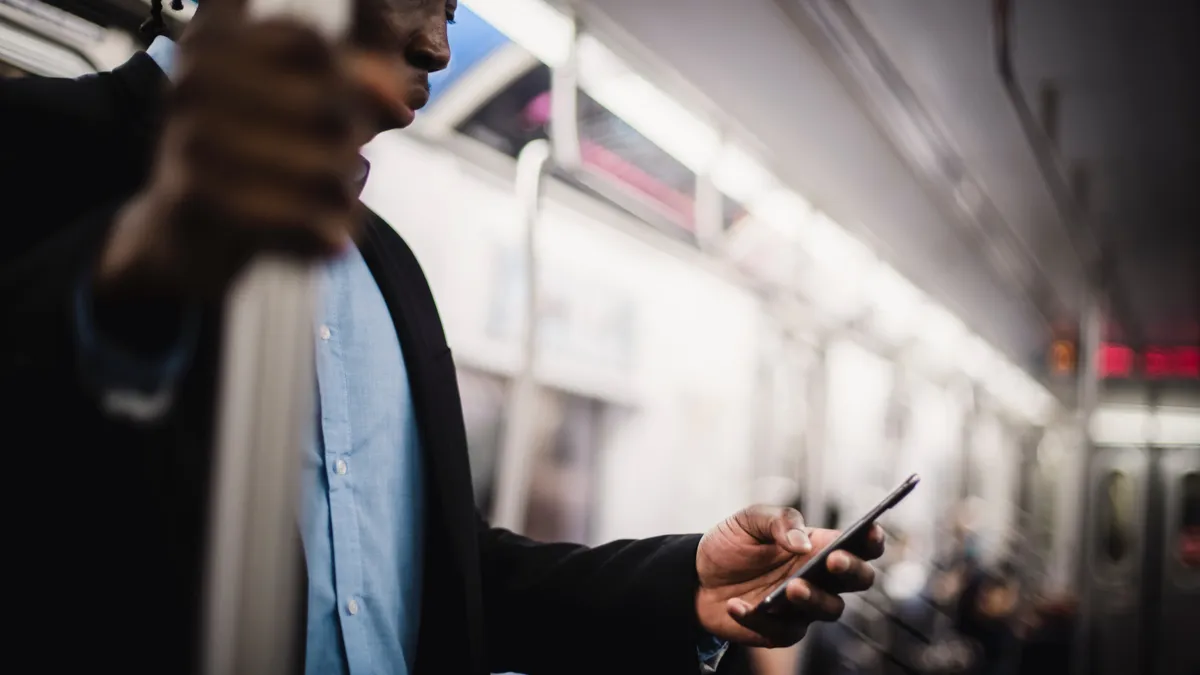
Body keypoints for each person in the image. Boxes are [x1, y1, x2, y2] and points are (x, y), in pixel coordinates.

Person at [0, 1, 884, 673]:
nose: (437, 47)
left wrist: (686, 583)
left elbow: (439, 578)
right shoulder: (34, 149)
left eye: (454, 11)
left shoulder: (388, 270)